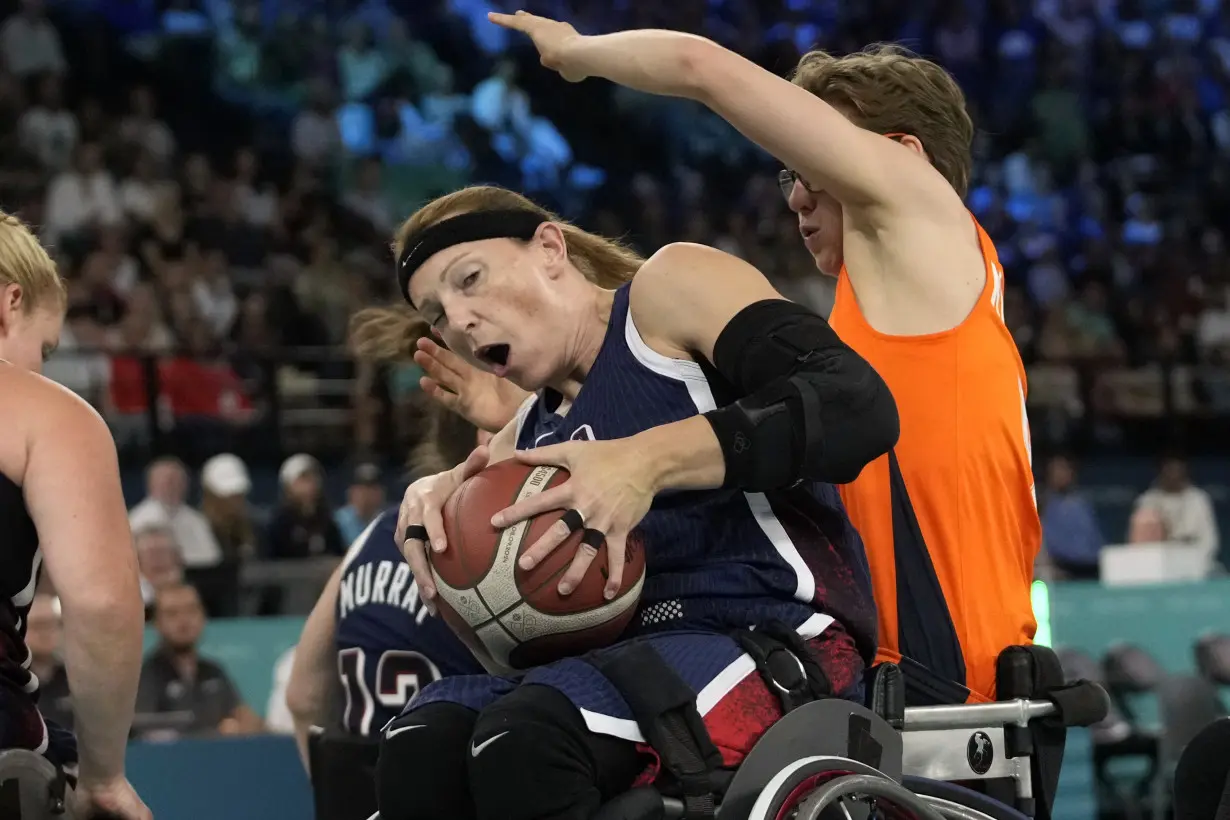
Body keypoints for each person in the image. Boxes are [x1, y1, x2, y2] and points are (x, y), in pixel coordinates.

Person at [454, 10, 1041, 705]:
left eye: (812, 164)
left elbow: (704, 69)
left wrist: (579, 53)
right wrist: (531, 417)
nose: (794, 196)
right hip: (893, 665)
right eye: (786, 173)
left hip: (943, 667)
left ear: (905, 156)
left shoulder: (926, 220)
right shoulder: (880, 308)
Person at [371, 185, 898, 820]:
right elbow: (514, 645)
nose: (457, 321)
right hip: (626, 663)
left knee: (529, 741)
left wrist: (644, 461)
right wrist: (447, 540)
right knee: (421, 745)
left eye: (470, 279)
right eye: (435, 314)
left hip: (779, 636)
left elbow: (856, 403)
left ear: (548, 248)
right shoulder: (526, 438)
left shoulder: (664, 293)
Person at [0, 211, 150, 819]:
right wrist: (103, 774)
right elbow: (102, 605)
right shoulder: (43, 413)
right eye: (45, 347)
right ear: (9, 301)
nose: (41, 368)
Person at [285, 402, 485, 820]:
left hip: (360, 790)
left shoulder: (374, 532)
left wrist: (337, 794)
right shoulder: (493, 545)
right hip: (452, 789)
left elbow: (303, 696)